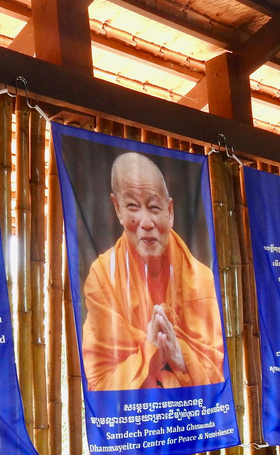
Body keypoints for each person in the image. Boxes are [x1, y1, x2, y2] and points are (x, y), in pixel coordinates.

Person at [81, 151, 226, 391]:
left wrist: (180, 357)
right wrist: (152, 352)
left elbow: (218, 379)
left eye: (153, 207)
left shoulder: (201, 280)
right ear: (117, 209)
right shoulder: (102, 277)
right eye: (132, 207)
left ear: (170, 212)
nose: (146, 222)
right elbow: (99, 383)